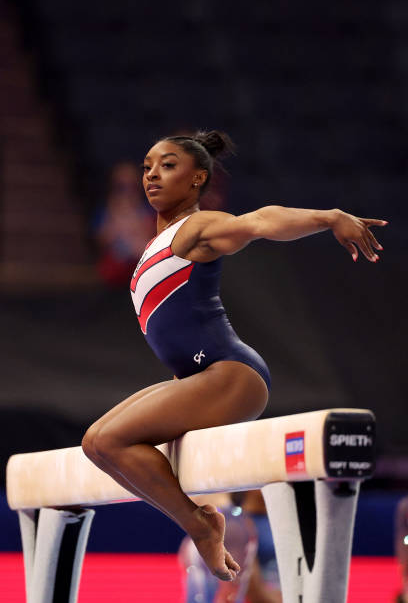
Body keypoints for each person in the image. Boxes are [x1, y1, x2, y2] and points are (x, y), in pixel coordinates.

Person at [81, 130, 387, 582]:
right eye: (147, 166)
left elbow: (261, 221)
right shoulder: (154, 242)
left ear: (198, 178)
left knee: (108, 441)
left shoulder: (197, 228)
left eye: (167, 165)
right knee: (95, 443)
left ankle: (201, 525)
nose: (151, 175)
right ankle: (199, 520)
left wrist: (329, 216)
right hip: (198, 377)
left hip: (229, 374)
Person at [93, 161, 155, 286]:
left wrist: (133, 222)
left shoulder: (149, 211)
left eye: (132, 186)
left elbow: (149, 242)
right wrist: (116, 216)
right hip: (113, 277)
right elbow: (102, 241)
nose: (128, 193)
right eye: (122, 187)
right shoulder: (105, 211)